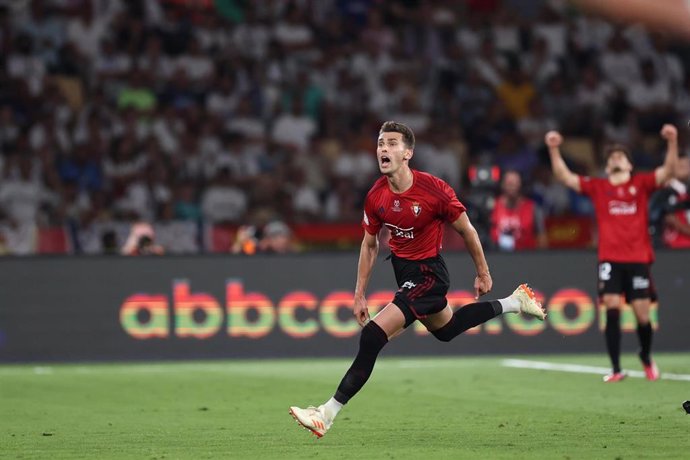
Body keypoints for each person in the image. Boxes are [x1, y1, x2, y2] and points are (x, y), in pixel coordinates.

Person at [289, 121, 545, 438]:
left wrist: (483, 271)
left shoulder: (434, 190)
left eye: (392, 143)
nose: (383, 148)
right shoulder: (376, 196)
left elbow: (467, 230)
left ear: (408, 152)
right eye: (381, 143)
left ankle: (326, 415)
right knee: (447, 330)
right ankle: (515, 301)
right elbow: (369, 245)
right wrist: (359, 294)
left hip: (429, 274)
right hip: (405, 273)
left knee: (371, 337)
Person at [544, 124, 678, 382]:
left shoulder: (641, 184)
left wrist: (672, 142)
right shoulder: (598, 187)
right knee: (612, 308)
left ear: (629, 165)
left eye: (621, 156)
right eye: (612, 157)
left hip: (638, 258)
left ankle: (646, 356)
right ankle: (616, 368)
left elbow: (668, 171)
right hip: (610, 259)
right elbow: (565, 177)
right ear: (607, 168)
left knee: (642, 314)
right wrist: (553, 148)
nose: (616, 159)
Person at [490, 169, 548, 251]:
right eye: (509, 183)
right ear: (502, 185)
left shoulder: (532, 208)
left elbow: (542, 237)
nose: (512, 187)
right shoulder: (492, 206)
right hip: (497, 256)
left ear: (520, 184)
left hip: (526, 256)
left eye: (515, 183)